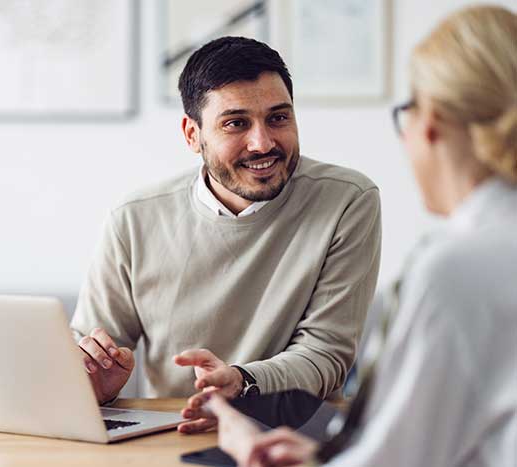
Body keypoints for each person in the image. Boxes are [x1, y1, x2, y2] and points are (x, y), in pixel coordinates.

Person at [206, 5, 517, 466]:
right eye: (236, 123)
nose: (262, 144)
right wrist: (323, 454)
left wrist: (247, 445)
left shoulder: (455, 268)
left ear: (429, 124)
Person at [70, 36, 382, 433]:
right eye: (236, 123)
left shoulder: (347, 201)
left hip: (294, 434)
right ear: (192, 134)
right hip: (173, 432)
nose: (263, 143)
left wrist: (243, 381)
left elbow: (326, 354)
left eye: (278, 118)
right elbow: (91, 351)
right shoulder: (135, 217)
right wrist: (96, 382)